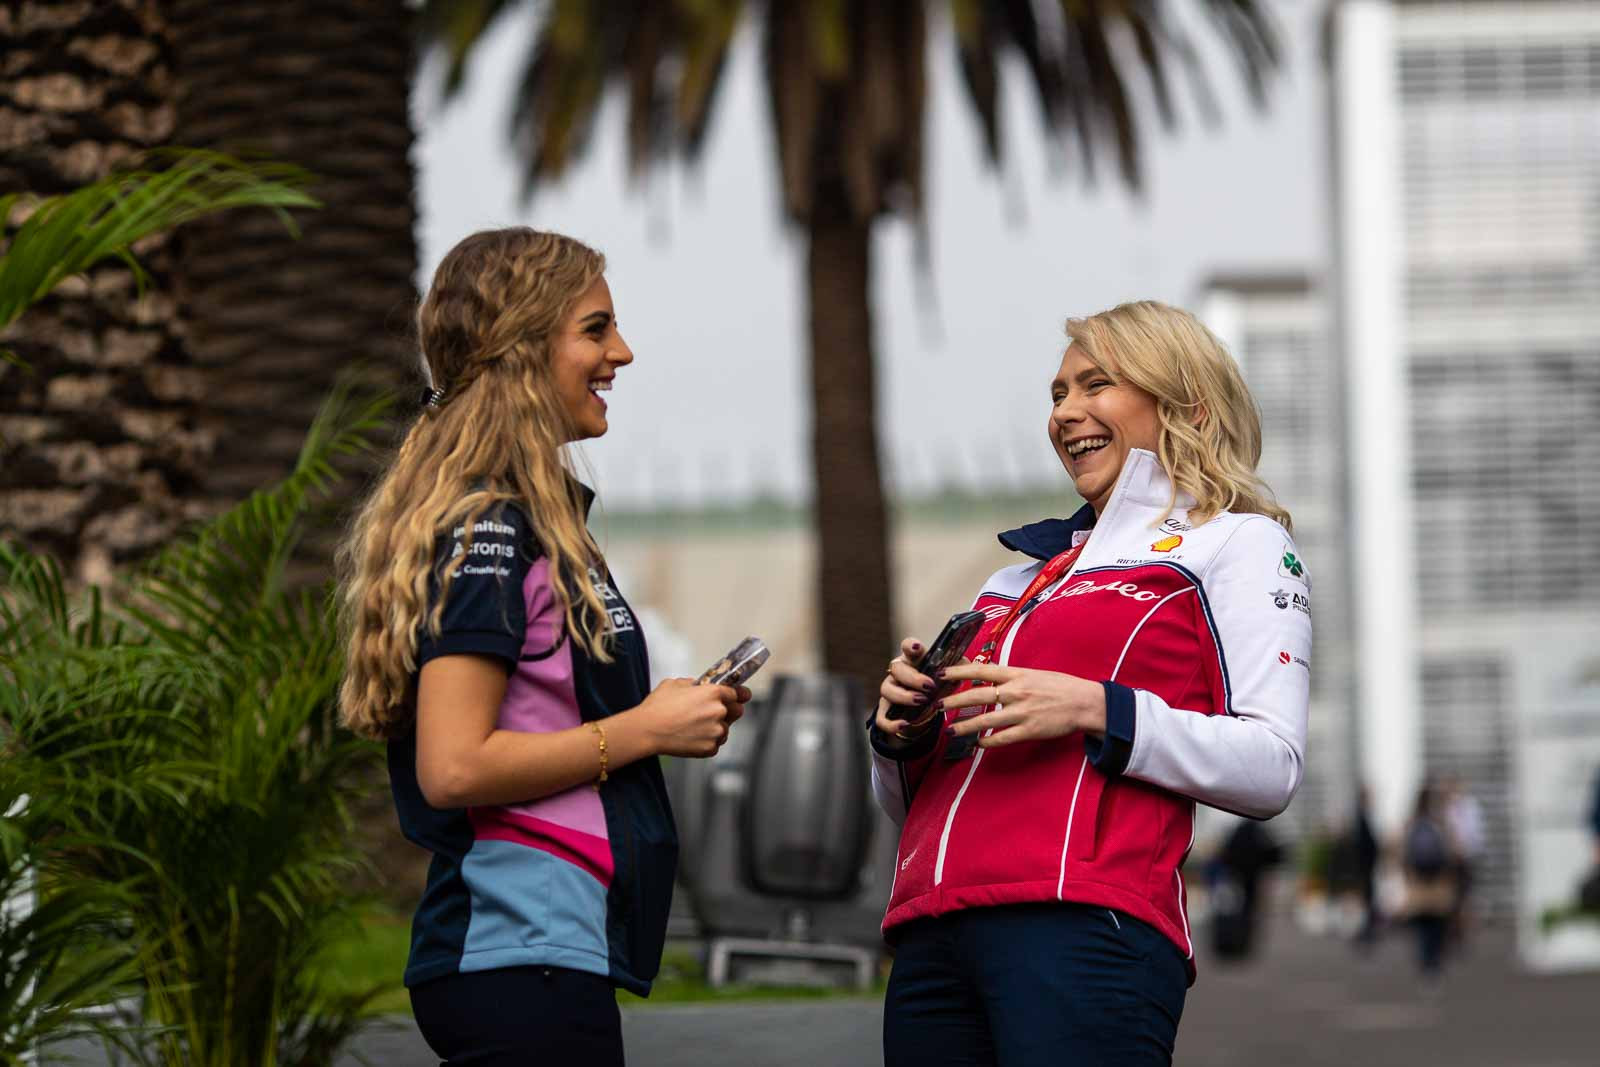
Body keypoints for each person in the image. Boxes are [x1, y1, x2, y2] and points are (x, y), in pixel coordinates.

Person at [336, 228, 749, 1066]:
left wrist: (668, 712)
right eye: (596, 329)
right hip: (518, 952)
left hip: (543, 955)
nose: (622, 353)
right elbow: (451, 766)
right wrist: (646, 731)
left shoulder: (525, 523)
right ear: (523, 350)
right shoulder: (494, 527)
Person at [868, 300, 1311, 1066]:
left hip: (1086, 928)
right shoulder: (1012, 578)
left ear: (1188, 405)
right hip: (931, 935)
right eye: (1057, 394)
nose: (1065, 412)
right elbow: (907, 798)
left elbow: (1273, 765)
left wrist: (1095, 707)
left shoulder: (1240, 542)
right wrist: (896, 736)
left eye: (1095, 384)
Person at [1400, 782, 1457, 978]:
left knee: (1423, 925)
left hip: (1418, 881)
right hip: (1436, 880)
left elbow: (1405, 853)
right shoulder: (1438, 823)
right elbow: (1449, 850)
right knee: (1436, 924)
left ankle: (1426, 961)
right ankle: (1433, 961)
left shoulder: (1412, 823)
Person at [1442, 775, 1485, 948]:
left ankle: (1463, 930)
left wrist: (1465, 850)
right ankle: (1455, 931)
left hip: (1466, 857)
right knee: (1453, 896)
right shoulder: (1446, 808)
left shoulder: (1469, 807)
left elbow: (1475, 833)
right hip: (1450, 860)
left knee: (1465, 895)